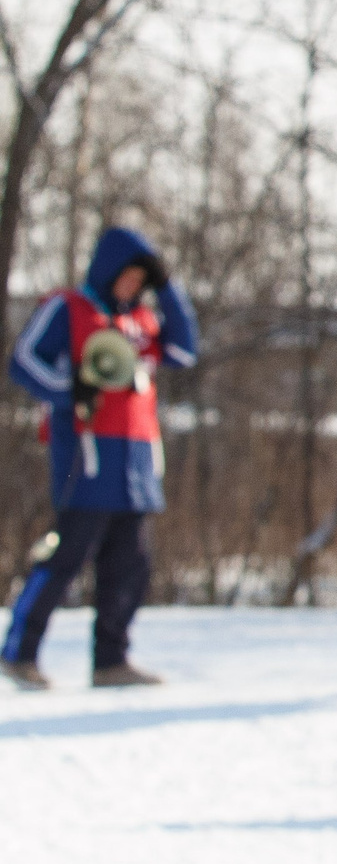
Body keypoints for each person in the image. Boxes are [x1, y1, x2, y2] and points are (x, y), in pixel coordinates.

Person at [5, 226, 196, 690]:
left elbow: (185, 350)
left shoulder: (145, 322)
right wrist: (69, 391)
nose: (132, 286)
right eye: (126, 277)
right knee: (65, 559)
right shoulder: (69, 308)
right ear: (107, 271)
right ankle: (18, 653)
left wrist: (167, 286)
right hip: (87, 462)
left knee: (129, 567)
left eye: (140, 280)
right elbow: (23, 361)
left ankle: (111, 661)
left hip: (137, 464)